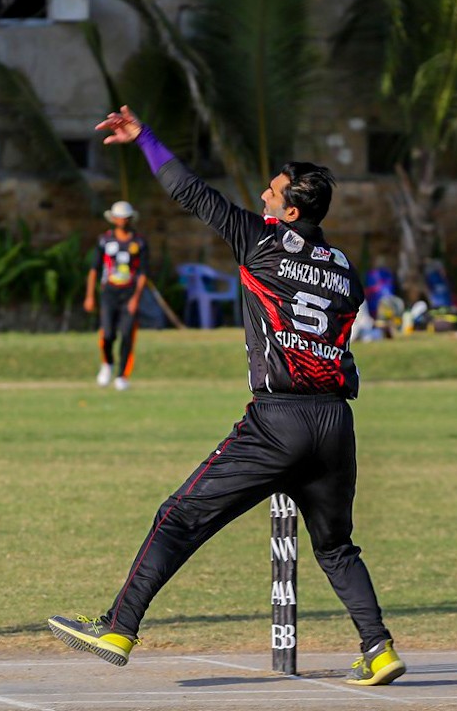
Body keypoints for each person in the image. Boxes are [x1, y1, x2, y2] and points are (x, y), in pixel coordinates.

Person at [48, 106, 405, 686]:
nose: (263, 196)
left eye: (272, 192)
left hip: (279, 420)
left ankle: (118, 626)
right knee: (336, 547)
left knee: (178, 517)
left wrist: (145, 137)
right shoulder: (345, 268)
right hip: (335, 422)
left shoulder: (262, 242)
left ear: (291, 212)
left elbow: (190, 191)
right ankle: (379, 648)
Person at [84, 200, 149, 391]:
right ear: (113, 219)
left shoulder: (139, 242)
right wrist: (89, 296)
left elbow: (143, 273)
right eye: (119, 218)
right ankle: (107, 363)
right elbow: (94, 270)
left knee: (127, 334)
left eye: (125, 218)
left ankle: (122, 376)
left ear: (130, 219)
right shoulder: (104, 241)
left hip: (129, 293)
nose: (122, 221)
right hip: (109, 292)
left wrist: (136, 298)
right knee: (108, 333)